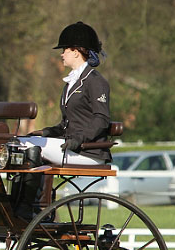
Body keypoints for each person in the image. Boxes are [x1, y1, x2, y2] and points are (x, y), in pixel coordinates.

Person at [20, 21, 111, 165]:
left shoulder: (95, 81)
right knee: (20, 142)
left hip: (88, 151)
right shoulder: (71, 82)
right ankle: (37, 188)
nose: (61, 54)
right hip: (71, 146)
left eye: (64, 50)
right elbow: (66, 124)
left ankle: (33, 188)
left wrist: (79, 139)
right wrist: (47, 132)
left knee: (29, 147)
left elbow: (101, 119)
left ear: (75, 52)